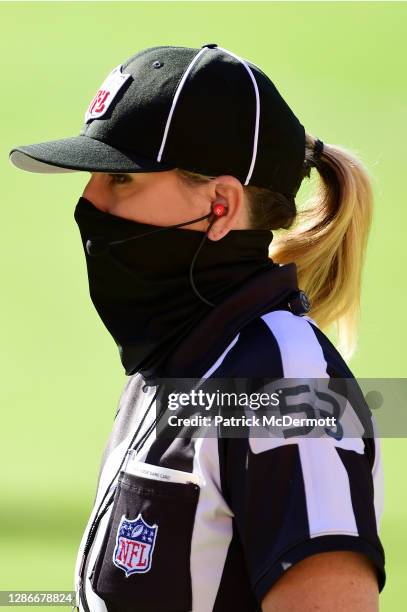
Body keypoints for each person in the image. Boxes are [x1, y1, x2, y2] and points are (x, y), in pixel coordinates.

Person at [9, 43, 385, 612]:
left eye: (123, 180)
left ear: (219, 205)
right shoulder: (175, 359)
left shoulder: (286, 385)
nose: (88, 200)